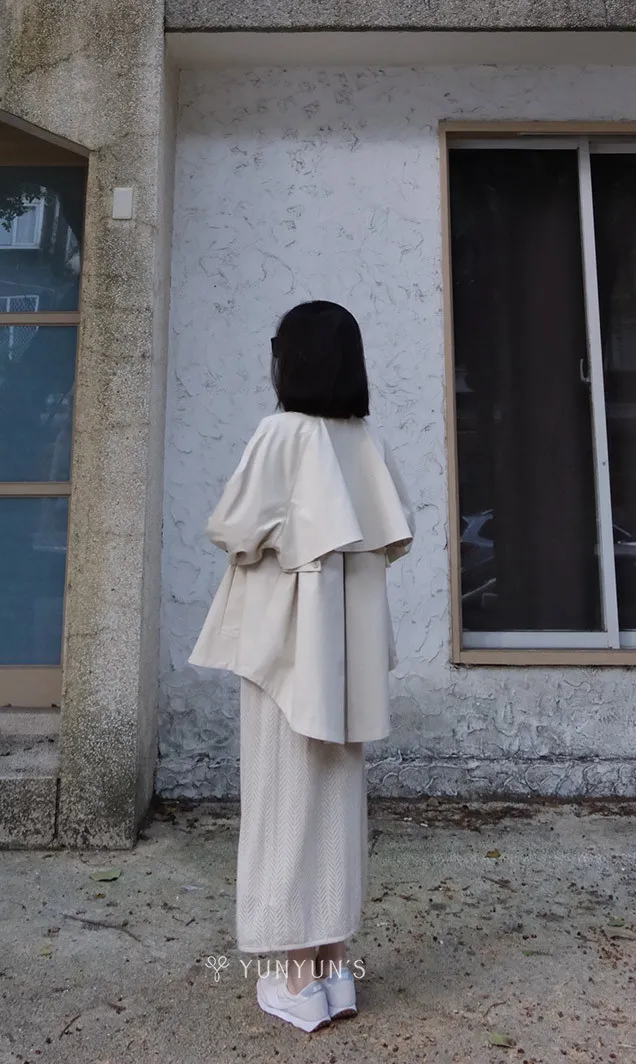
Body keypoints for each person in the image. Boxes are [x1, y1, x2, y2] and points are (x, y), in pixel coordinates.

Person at [189, 300, 415, 1033]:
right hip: (347, 657)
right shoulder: (364, 441)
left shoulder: (280, 433)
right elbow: (391, 535)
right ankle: (334, 970)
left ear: (291, 359)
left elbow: (235, 528)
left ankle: (294, 979)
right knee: (337, 801)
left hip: (287, 650)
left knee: (283, 800)